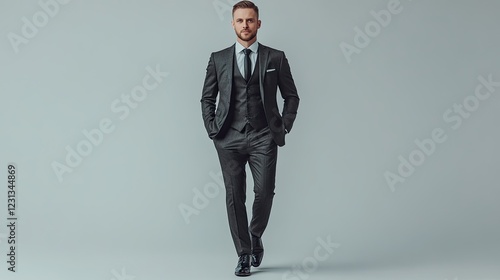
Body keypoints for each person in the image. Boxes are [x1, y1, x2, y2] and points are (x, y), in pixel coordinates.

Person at [200, 0, 300, 276]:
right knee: (234, 197)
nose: (245, 25)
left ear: (259, 23)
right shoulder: (218, 58)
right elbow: (207, 97)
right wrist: (213, 129)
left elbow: (291, 96)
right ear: (232, 24)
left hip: (263, 136)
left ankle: (255, 234)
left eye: (250, 20)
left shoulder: (275, 58)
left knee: (264, 191)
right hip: (228, 138)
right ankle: (243, 254)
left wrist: (283, 126)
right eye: (240, 21)